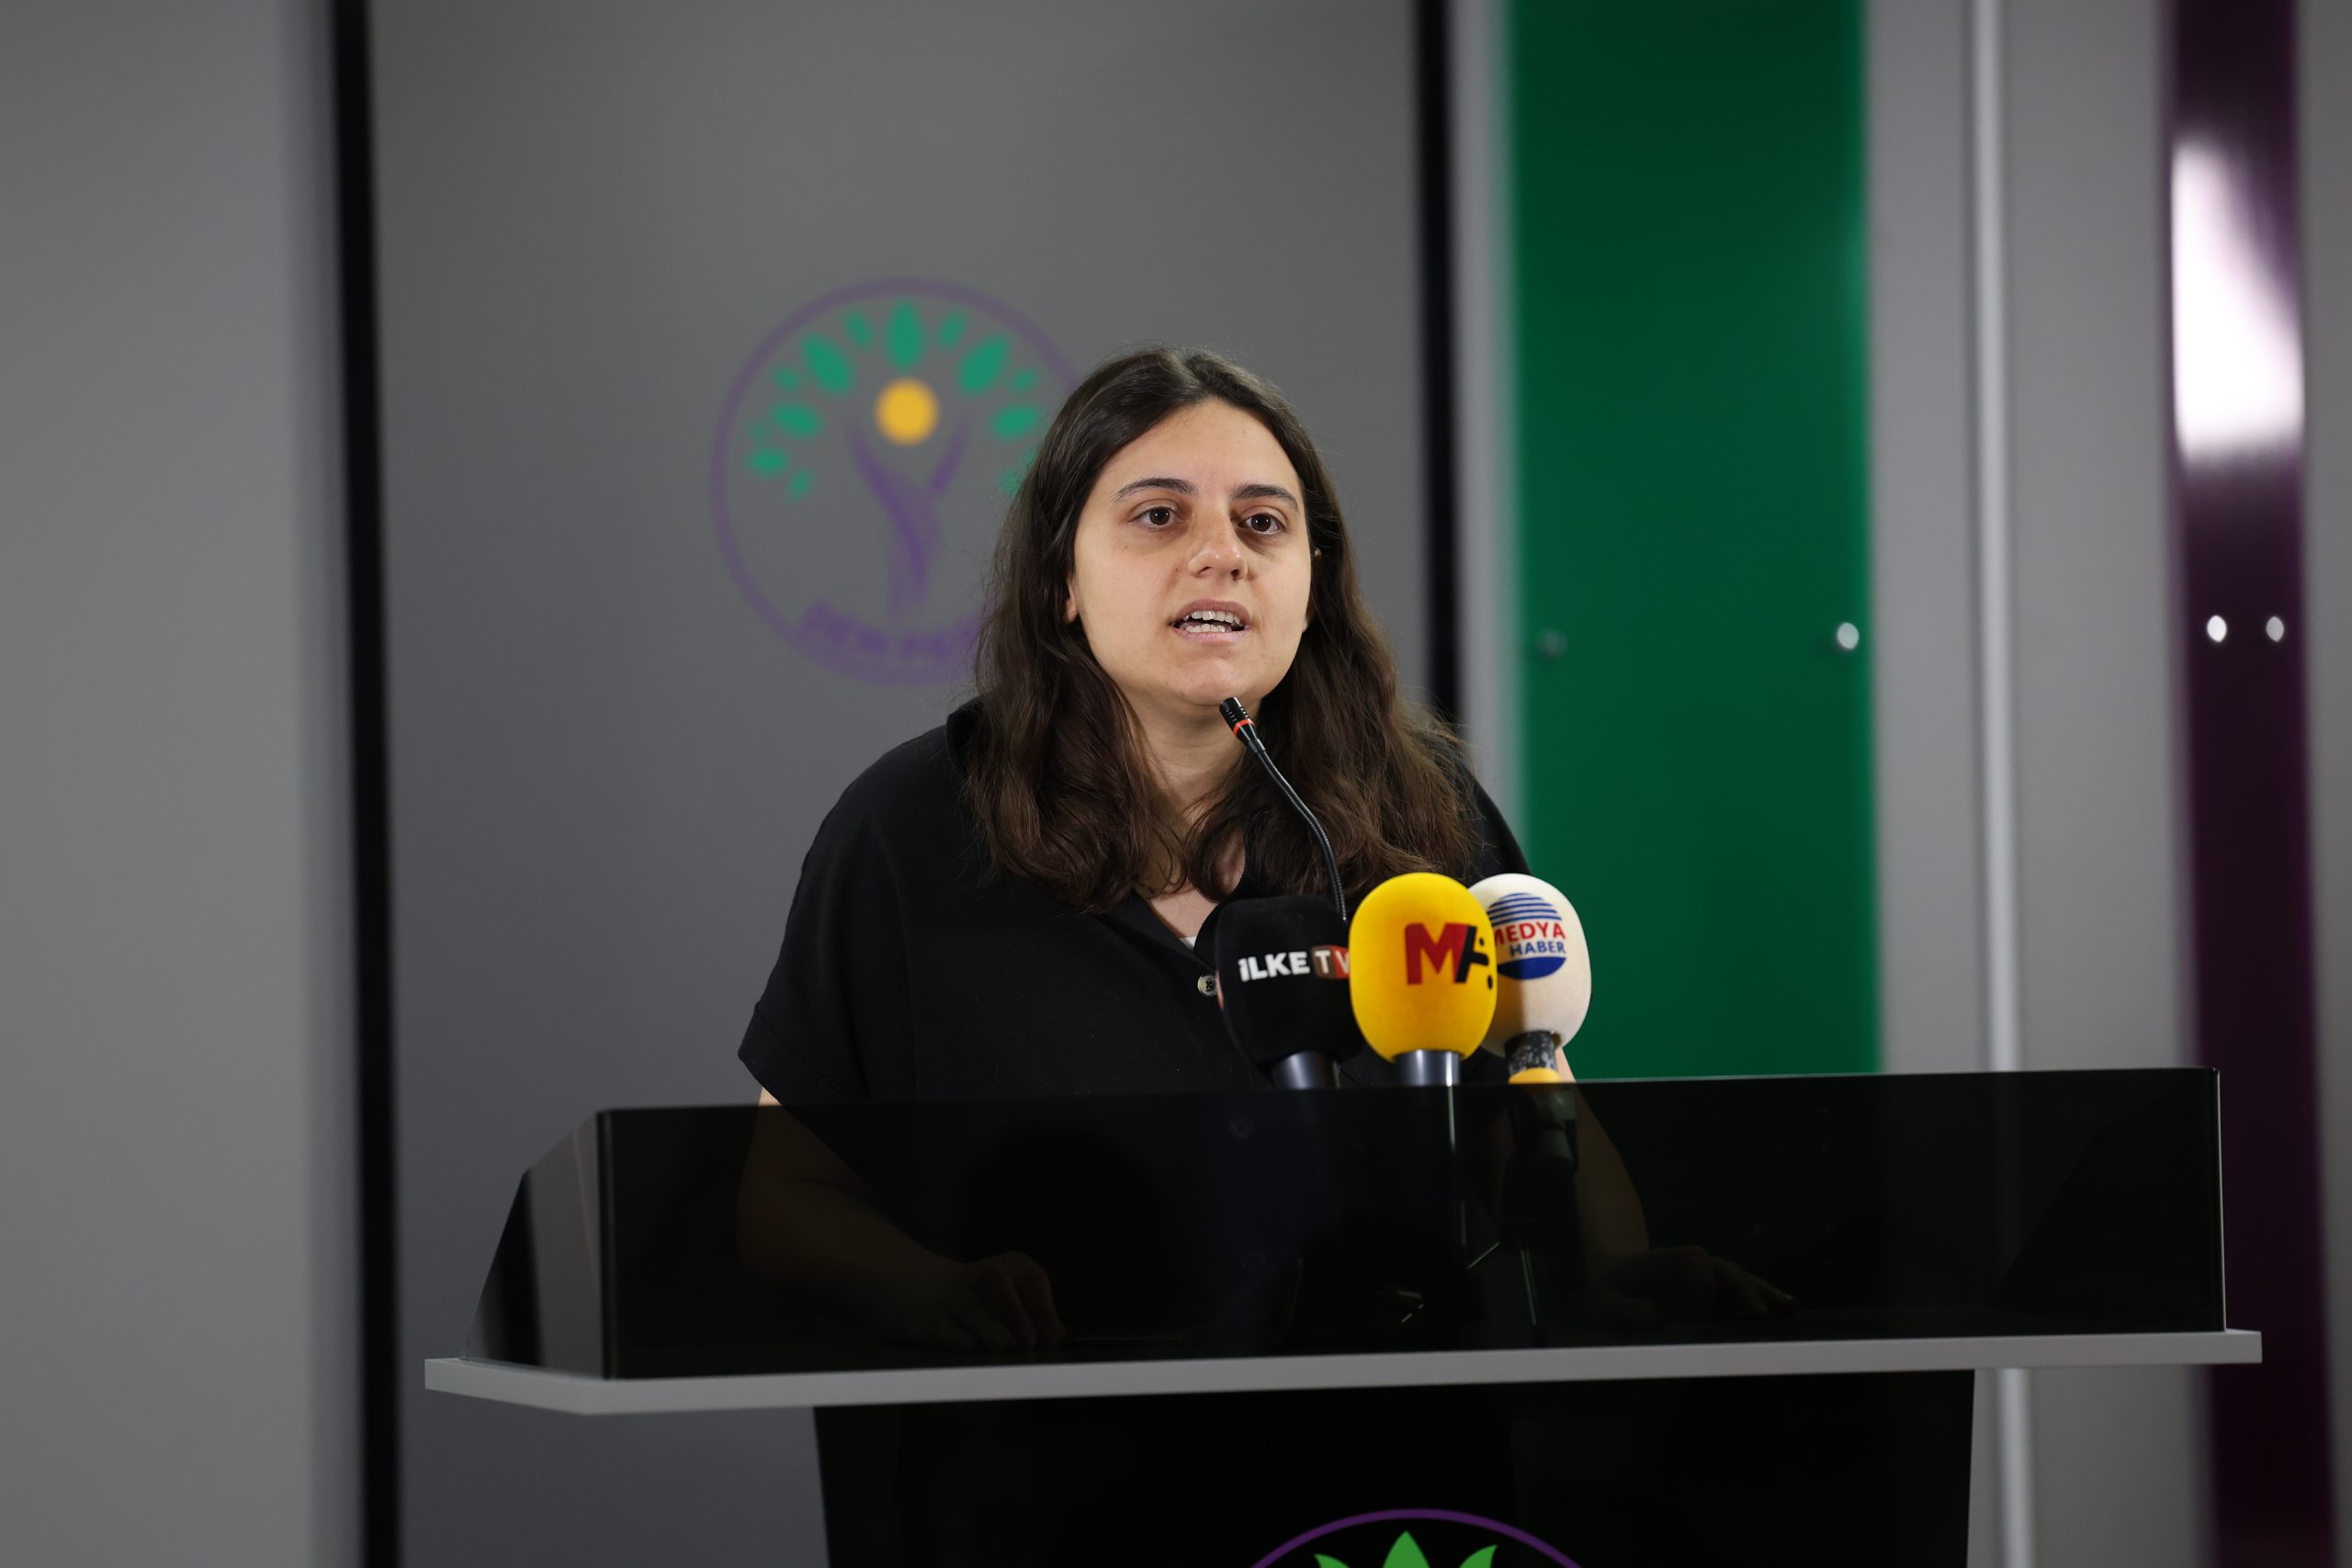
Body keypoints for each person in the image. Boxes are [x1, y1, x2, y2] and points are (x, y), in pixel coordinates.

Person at [734, 346, 1785, 1353]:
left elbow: (1541, 1115)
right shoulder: (911, 829)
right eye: (1158, 516)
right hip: (1051, 1444)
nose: (1220, 553)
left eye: (1262, 523)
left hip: (1380, 1443)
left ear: (1310, 582)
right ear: (1063, 578)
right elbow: (785, 1199)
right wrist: (926, 1287)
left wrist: (1613, 1271)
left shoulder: (1420, 812)